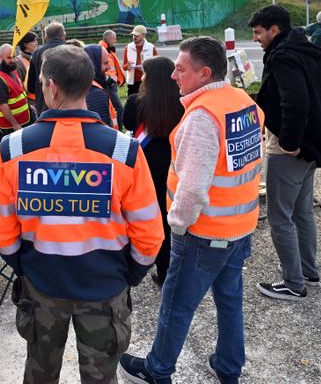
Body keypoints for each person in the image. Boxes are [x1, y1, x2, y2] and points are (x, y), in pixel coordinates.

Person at [0, 45, 164, 384]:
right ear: (89, 83)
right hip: (104, 283)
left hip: (41, 283)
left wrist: (24, 265)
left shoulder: (14, 147)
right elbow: (148, 230)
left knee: (40, 372)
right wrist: (130, 274)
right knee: (101, 377)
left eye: (41, 82)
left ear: (51, 86)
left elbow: (2, 225)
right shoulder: (123, 150)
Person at [119, 37, 264, 384]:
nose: (173, 76)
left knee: (176, 306)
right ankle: (229, 367)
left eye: (181, 69)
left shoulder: (202, 117)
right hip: (240, 226)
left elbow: (194, 188)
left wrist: (177, 225)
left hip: (205, 231)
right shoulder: (242, 101)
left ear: (204, 73)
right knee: (230, 300)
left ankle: (158, 370)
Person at [248, 5, 321, 301]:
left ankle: (294, 283)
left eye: (258, 33)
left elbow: (296, 103)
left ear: (274, 30)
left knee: (280, 216)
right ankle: (309, 271)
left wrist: (290, 141)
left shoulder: (283, 56)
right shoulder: (308, 50)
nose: (256, 39)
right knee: (302, 212)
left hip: (290, 150)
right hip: (311, 148)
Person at [121, 56, 185, 287]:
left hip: (147, 166)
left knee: (149, 216)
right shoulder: (183, 101)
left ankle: (148, 262)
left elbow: (128, 124)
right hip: (175, 164)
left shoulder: (136, 102)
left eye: (145, 74)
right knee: (172, 217)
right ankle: (170, 269)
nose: (143, 77)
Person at [25, 22, 67, 116]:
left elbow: (30, 86)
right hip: (69, 107)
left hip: (44, 107)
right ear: (64, 36)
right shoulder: (74, 51)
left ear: (46, 38)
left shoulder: (36, 54)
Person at [0, 44, 32, 134]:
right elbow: (2, 105)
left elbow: (18, 92)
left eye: (14, 57)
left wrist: (28, 107)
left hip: (23, 120)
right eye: (9, 58)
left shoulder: (11, 69)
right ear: (1, 58)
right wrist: (14, 124)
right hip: (11, 126)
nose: (12, 60)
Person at [84, 44, 116, 128]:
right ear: (93, 64)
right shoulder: (95, 94)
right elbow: (104, 130)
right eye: (105, 63)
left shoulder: (89, 85)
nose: (109, 67)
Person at [100, 29, 126, 129]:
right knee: (119, 108)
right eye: (114, 39)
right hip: (109, 85)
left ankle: (113, 128)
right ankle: (119, 129)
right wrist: (111, 80)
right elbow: (106, 69)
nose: (115, 41)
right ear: (109, 39)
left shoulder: (108, 49)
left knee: (110, 108)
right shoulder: (103, 50)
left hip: (112, 84)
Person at [123, 25, 157, 97]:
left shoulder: (151, 48)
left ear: (144, 36)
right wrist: (128, 66)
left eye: (137, 35)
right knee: (133, 103)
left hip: (146, 81)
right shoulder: (128, 47)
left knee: (146, 103)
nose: (134, 37)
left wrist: (145, 68)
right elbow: (124, 67)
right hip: (132, 82)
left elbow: (156, 66)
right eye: (133, 35)